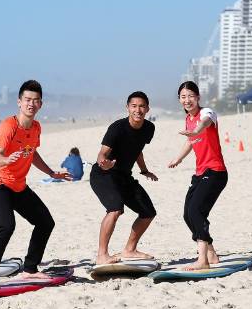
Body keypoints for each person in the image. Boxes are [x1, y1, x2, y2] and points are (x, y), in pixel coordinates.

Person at [0, 80, 70, 290]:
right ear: (19, 102)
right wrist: (7, 160)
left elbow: (33, 152)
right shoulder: (9, 125)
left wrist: (51, 173)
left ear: (41, 104)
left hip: (19, 186)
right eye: (27, 100)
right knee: (6, 225)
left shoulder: (36, 127)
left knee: (45, 222)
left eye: (35, 100)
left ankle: (30, 268)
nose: (31, 104)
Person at [90, 91, 158, 265]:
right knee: (115, 209)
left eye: (142, 106)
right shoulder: (117, 128)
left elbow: (138, 150)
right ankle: (102, 255)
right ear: (127, 108)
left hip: (124, 176)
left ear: (147, 108)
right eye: (134, 106)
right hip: (103, 174)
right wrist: (104, 163)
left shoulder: (149, 128)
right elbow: (102, 153)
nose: (138, 110)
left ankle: (130, 250)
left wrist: (144, 171)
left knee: (148, 212)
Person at [168, 81, 227, 270]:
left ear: (198, 97)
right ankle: (212, 254)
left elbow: (204, 124)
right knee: (188, 214)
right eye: (183, 97)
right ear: (179, 100)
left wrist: (196, 130)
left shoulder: (206, 113)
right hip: (200, 172)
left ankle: (203, 260)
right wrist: (178, 159)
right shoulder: (188, 119)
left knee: (196, 211)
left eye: (191, 96)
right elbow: (191, 141)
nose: (187, 100)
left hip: (215, 171)